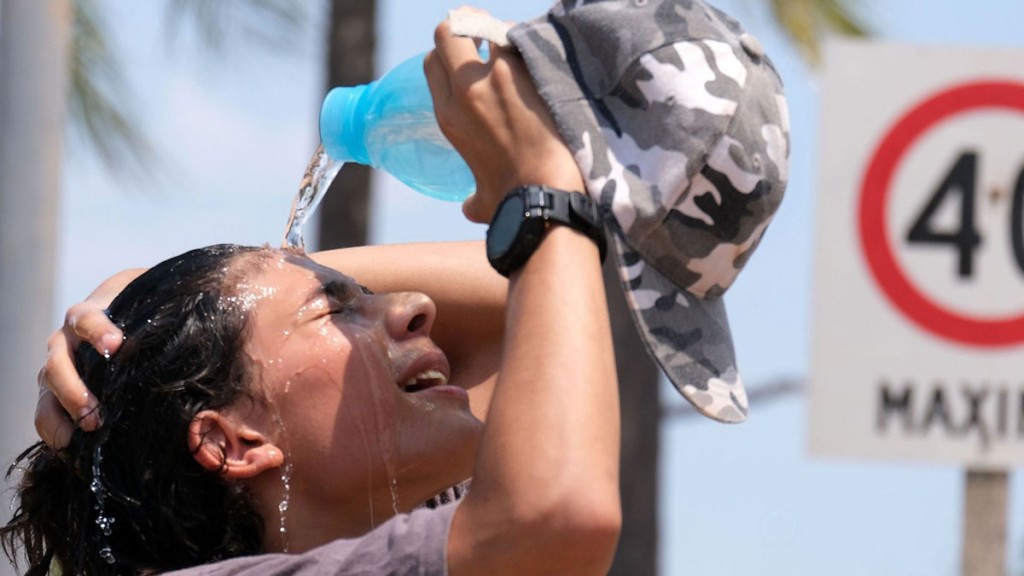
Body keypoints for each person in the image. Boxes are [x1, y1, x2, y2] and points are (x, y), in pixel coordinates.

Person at [20, 0, 790, 573]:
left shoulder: (416, 516)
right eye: (339, 304)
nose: (416, 306)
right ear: (230, 440)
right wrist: (547, 190)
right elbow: (558, 512)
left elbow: (561, 296)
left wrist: (169, 295)